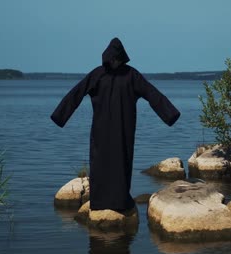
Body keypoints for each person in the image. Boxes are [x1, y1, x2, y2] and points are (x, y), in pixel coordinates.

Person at [51, 38, 180, 211]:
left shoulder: (123, 75)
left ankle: (111, 202)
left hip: (116, 128)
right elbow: (76, 93)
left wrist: (170, 114)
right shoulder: (113, 75)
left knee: (114, 162)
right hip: (111, 128)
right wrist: (60, 116)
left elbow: (152, 94)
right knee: (108, 162)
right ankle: (109, 202)